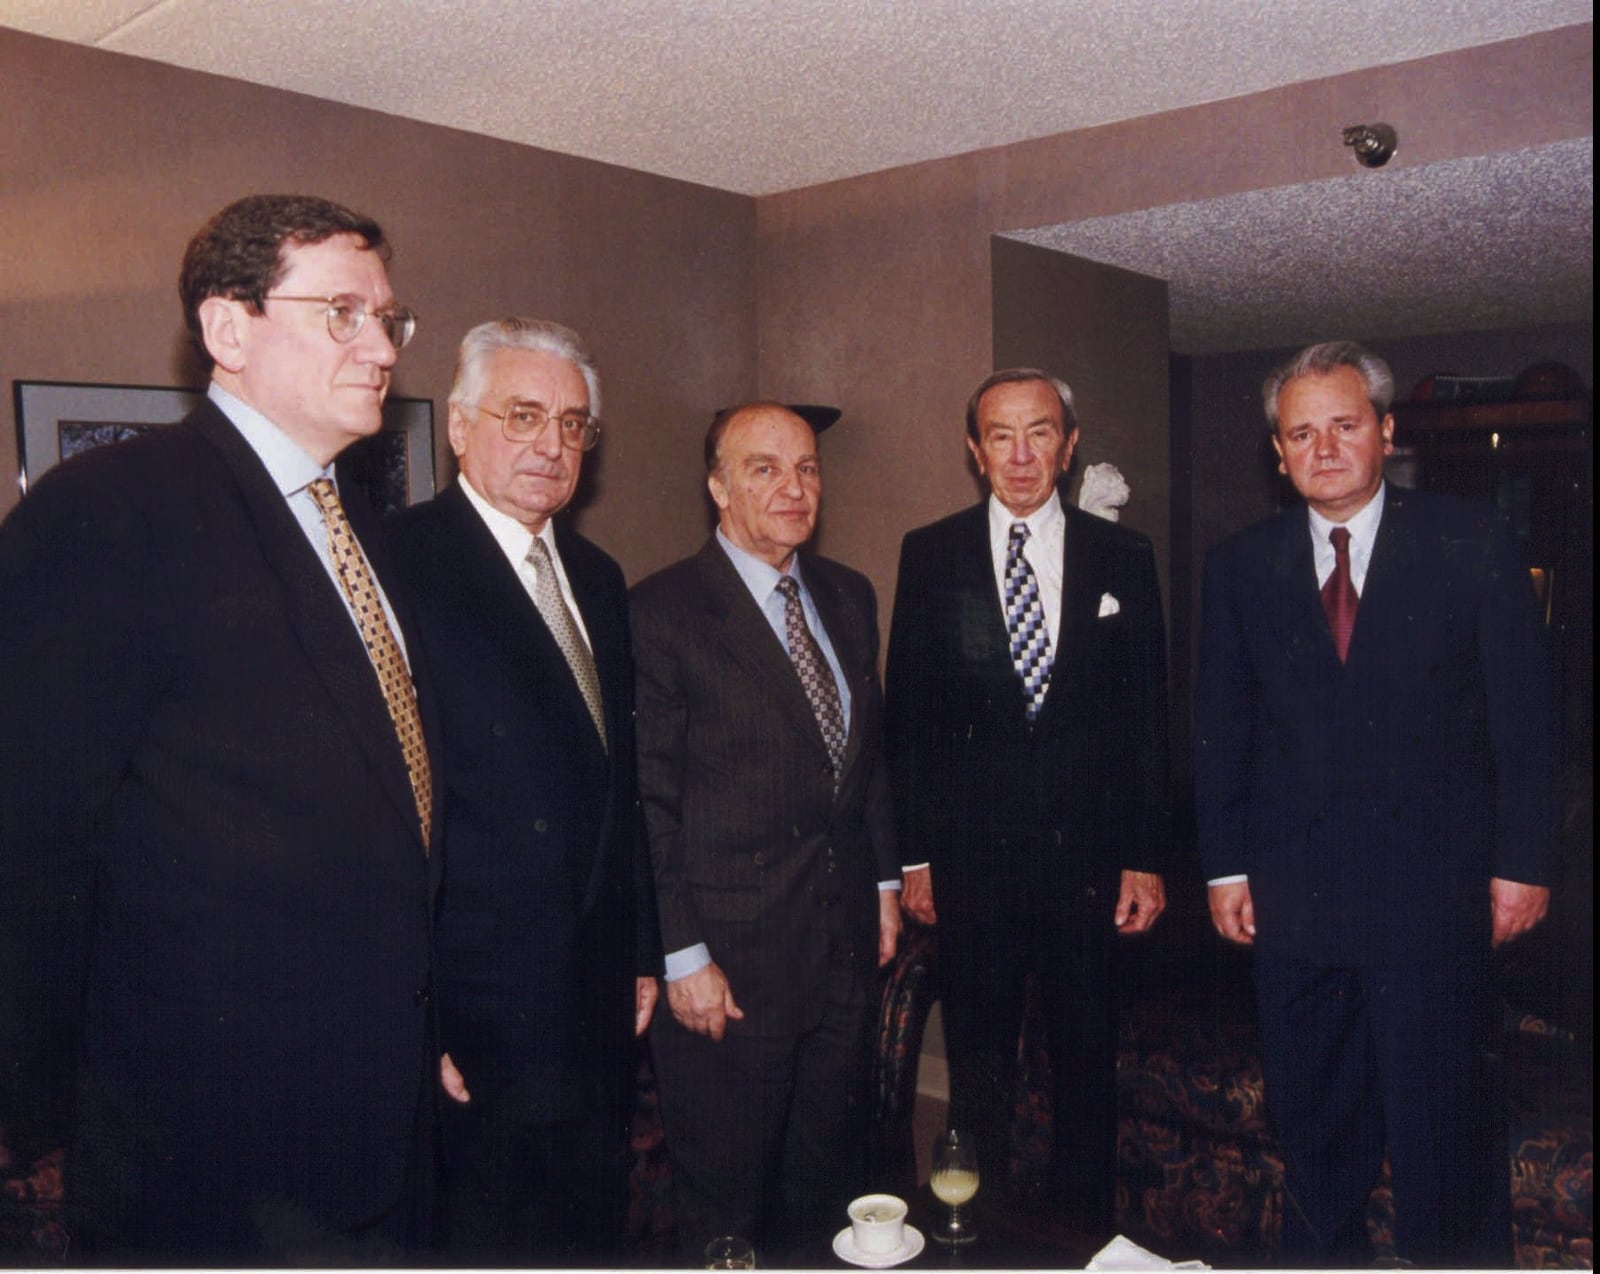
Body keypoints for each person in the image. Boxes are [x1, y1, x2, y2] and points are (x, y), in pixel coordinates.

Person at [0, 194, 439, 1261]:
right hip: (205, 1147)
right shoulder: (106, 510)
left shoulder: (360, 529)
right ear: (227, 329)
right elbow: (35, 841)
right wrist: (39, 1121)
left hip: (381, 1115)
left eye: (389, 318)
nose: (379, 346)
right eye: (342, 312)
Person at [1194, 340, 1557, 1267]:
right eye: (1300, 433)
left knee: (1448, 1147)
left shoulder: (1468, 540)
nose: (1323, 448)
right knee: (1317, 1140)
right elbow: (1222, 729)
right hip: (1297, 911)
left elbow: (1527, 723)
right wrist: (1225, 866)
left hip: (1436, 906)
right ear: (1277, 453)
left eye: (1343, 425)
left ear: (1386, 432)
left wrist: (1525, 863)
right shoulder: (1240, 565)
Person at [384, 318, 660, 1264]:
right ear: (460, 427)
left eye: (574, 424)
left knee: (587, 1233)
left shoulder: (598, 574)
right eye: (526, 415)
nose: (553, 444)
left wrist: (643, 953)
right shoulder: (397, 566)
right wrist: (415, 1020)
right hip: (476, 1017)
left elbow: (621, 791)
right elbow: (380, 822)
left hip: (595, 1002)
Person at [884, 368, 1170, 1237]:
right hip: (975, 874)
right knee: (978, 1073)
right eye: (1000, 436)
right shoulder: (931, 554)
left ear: (1068, 445)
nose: (1020, 455)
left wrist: (1147, 856)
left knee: (1087, 1068)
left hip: (1089, 871)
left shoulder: (1124, 557)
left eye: (1039, 432)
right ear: (975, 451)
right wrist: (918, 859)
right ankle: (982, 1239)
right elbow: (912, 721)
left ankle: (1087, 1242)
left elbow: (1148, 722)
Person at [630, 402, 902, 1261]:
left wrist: (885, 886)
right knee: (729, 1211)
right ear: (717, 486)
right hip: (727, 977)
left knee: (825, 1196)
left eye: (808, 468)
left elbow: (868, 762)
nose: (794, 487)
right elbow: (649, 801)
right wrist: (681, 956)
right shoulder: (662, 612)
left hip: (842, 959)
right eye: (764, 468)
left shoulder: (849, 595)